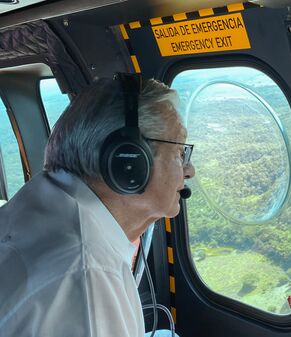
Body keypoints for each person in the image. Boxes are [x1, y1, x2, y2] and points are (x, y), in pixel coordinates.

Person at [0, 76, 194, 336]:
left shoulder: (43, 201)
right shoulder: (86, 276)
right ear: (129, 162)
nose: (189, 170)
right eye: (180, 153)